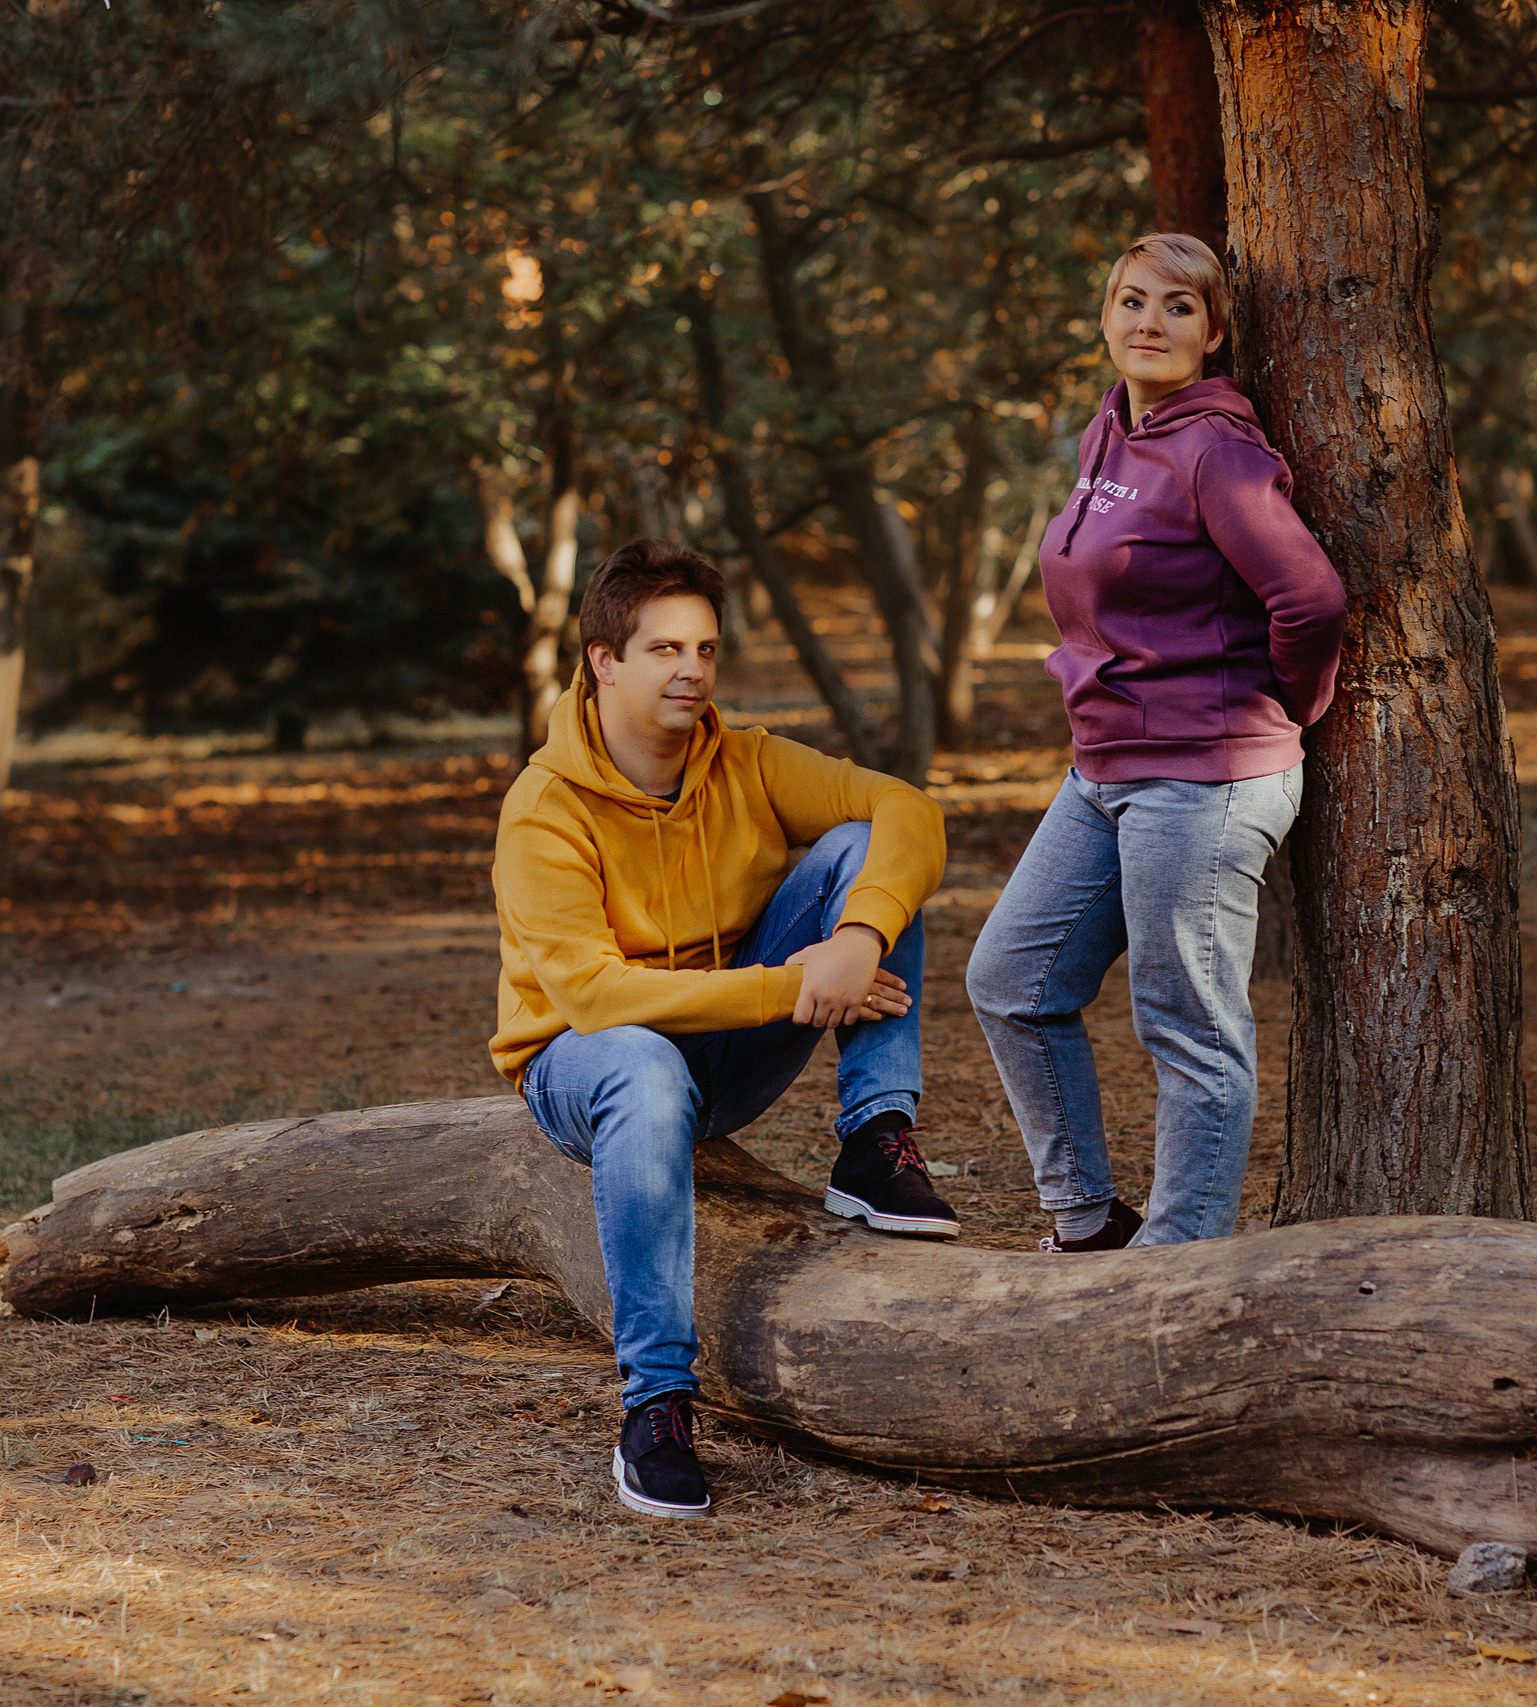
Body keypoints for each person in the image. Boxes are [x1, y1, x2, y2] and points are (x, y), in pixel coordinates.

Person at [491, 538, 956, 1520]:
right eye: (664, 649)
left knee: (866, 850)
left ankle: (875, 1134)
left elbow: (906, 807)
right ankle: (656, 1404)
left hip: (723, 1052)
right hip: (585, 1066)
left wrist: (858, 938)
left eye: (704, 648)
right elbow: (596, 999)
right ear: (604, 660)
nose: (692, 670)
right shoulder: (545, 810)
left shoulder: (741, 761)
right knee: (641, 1066)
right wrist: (789, 985)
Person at [966, 232, 1348, 1255]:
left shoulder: (1214, 448)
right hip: (1103, 767)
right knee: (1010, 980)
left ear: (1214, 332)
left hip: (1203, 776)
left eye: (1178, 308)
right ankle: (1087, 1223)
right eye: (1132, 301)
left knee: (1189, 1031)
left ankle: (1175, 1268)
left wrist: (1286, 711)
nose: (1149, 323)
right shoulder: (1108, 431)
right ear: (1104, 318)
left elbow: (1308, 598)